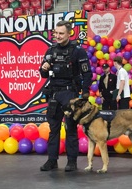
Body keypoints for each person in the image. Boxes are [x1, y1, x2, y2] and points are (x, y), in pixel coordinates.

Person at [39, 21, 92, 172]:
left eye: (61, 33)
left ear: (69, 34)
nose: (58, 36)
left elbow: (87, 73)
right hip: (54, 94)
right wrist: (43, 69)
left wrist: (85, 92)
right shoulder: (50, 51)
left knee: (71, 128)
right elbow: (43, 74)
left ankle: (72, 161)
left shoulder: (77, 51)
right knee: (53, 128)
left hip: (70, 94)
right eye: (56, 33)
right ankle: (52, 160)